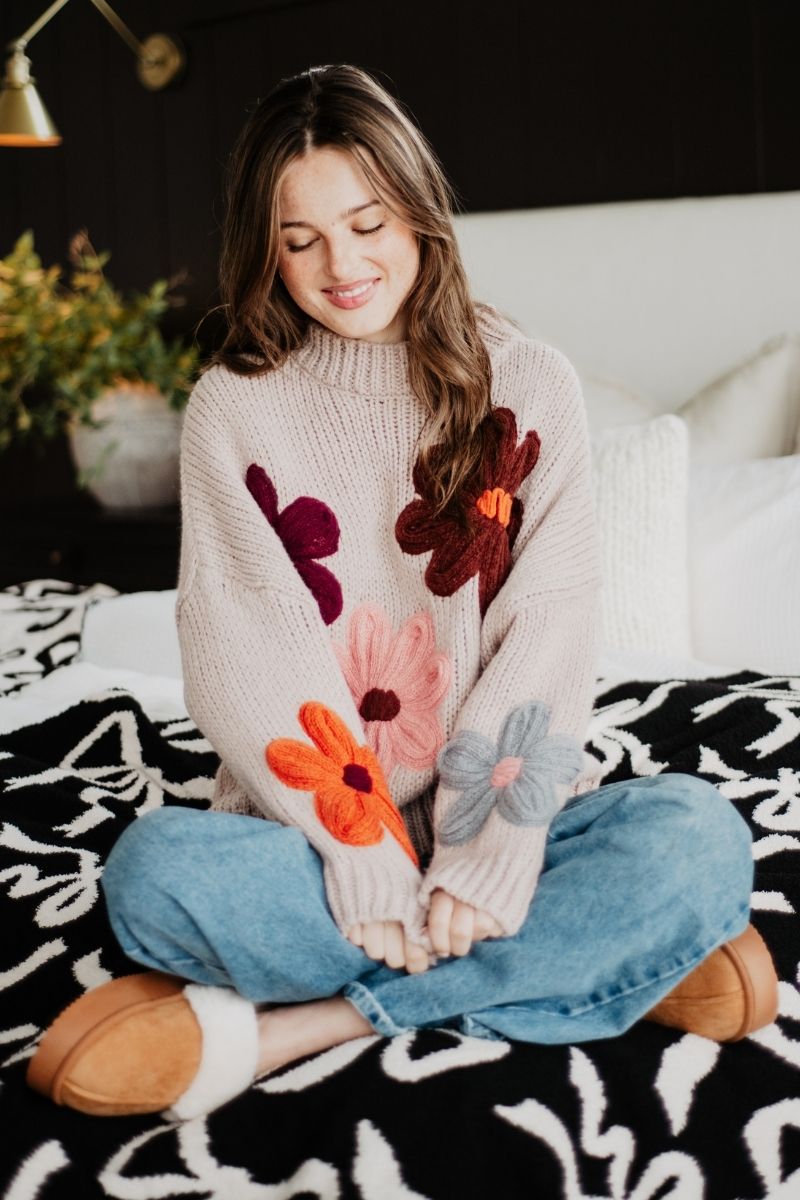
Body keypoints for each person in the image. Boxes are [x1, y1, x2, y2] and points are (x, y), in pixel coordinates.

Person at [26, 63, 777, 1121]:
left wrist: (481, 852)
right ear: (264, 250)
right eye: (300, 240)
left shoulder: (528, 384)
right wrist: (365, 852)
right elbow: (251, 648)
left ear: (420, 214)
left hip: (509, 825)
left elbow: (546, 629)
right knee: (155, 875)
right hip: (309, 835)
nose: (342, 264)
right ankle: (583, 970)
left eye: (368, 222)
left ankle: (303, 1027)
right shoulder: (234, 411)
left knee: (695, 839)